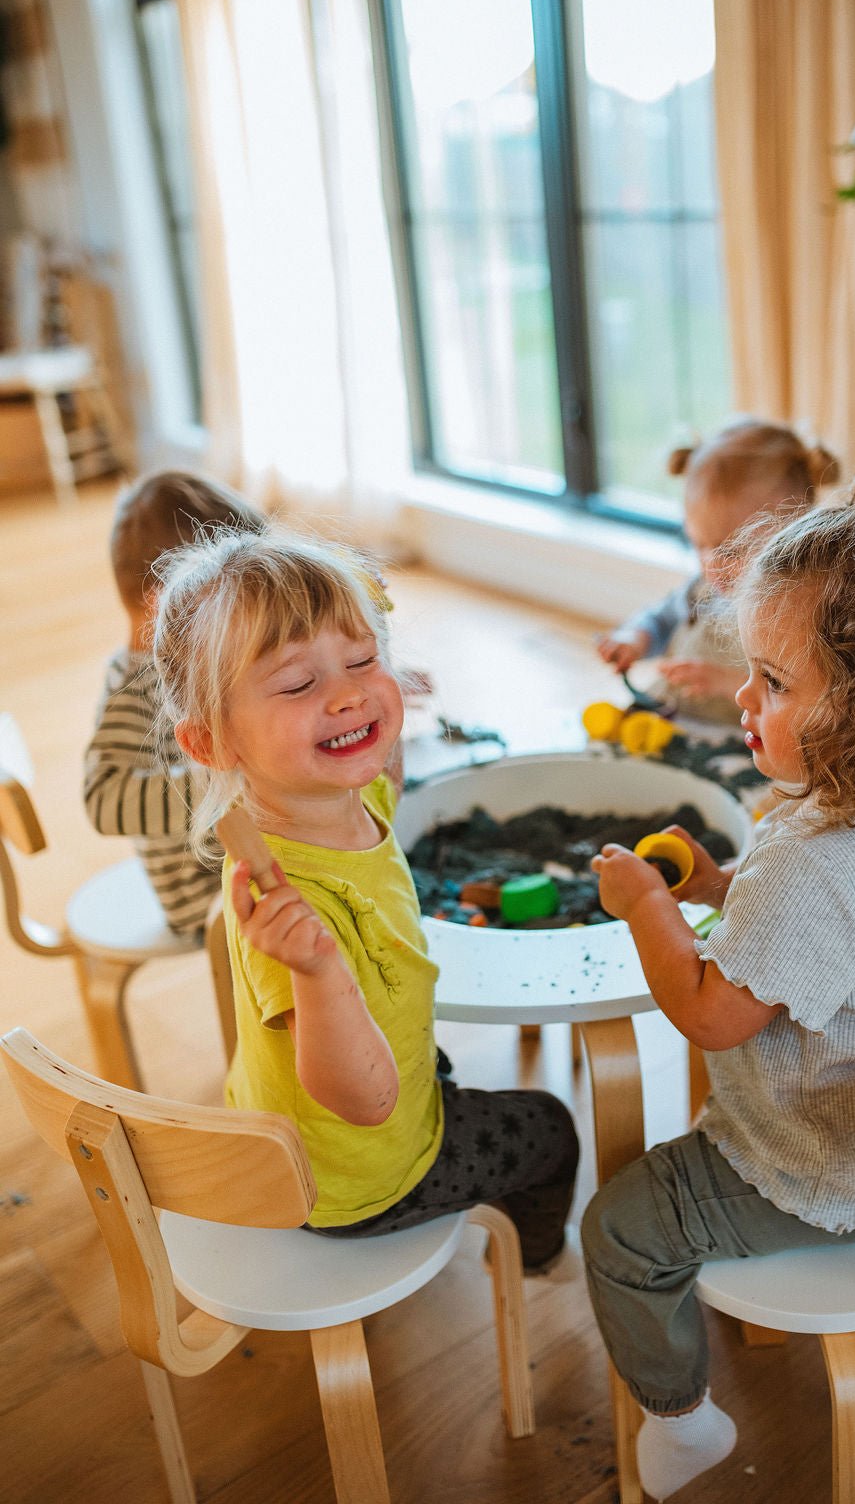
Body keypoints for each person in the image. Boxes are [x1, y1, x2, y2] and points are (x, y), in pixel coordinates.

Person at [581, 467, 855, 1500]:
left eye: (774, 684)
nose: (743, 697)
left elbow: (711, 1015)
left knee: (618, 1233)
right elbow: (818, 937)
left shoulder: (808, 866)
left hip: (816, 1167)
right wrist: (715, 885)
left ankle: (682, 1421)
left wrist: (647, 909)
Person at [153, 525, 578, 1261]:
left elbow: (382, 759)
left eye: (361, 660)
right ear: (214, 744)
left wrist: (387, 689)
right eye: (297, 683)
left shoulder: (329, 791)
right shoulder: (292, 906)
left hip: (304, 1125)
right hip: (352, 1181)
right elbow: (365, 1101)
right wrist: (318, 973)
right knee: (551, 1128)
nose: (348, 695)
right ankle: (536, 1258)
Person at [83, 469, 266, 940]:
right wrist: (236, 780)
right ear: (165, 600)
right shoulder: (137, 685)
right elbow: (103, 799)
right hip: (207, 890)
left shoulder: (204, 656)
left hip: (245, 859)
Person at [596, 418, 839, 725]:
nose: (712, 564)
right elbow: (661, 619)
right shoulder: (703, 590)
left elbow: (801, 699)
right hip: (676, 716)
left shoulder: (796, 615)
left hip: (746, 739)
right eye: (699, 545)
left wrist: (726, 683)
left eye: (731, 549)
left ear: (795, 534)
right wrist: (634, 640)